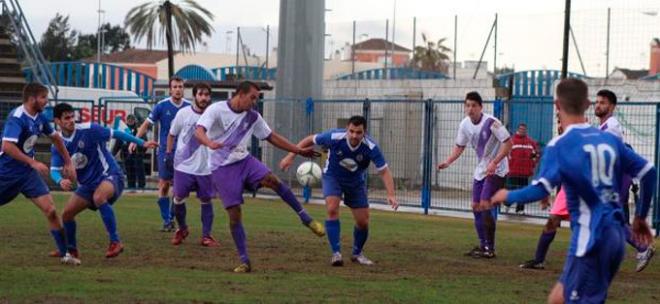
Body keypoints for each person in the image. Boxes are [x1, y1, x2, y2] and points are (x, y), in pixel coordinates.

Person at [489, 78, 656, 303]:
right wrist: (640, 218)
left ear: (557, 105)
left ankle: (539, 258)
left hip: (592, 239)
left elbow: (539, 190)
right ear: (587, 104)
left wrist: (507, 195)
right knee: (557, 298)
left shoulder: (560, 145)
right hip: (614, 236)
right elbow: (649, 171)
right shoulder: (607, 139)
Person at [194, 81, 325, 273]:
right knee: (235, 214)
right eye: (252, 97)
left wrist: (297, 150)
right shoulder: (216, 109)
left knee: (273, 180)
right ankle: (244, 260)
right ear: (240, 94)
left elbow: (271, 136)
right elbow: (199, 131)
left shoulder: (253, 116)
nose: (255, 102)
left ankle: (305, 218)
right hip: (221, 168)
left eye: (257, 98)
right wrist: (209, 143)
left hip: (244, 161)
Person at [279, 115, 399, 266]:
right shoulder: (334, 137)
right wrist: (290, 156)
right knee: (332, 208)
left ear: (364, 133)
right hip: (332, 177)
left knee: (363, 221)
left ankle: (357, 253)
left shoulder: (371, 147)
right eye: (352, 131)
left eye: (358, 132)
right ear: (347, 129)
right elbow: (309, 139)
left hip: (355, 182)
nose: (354, 135)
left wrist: (391, 194)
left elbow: (384, 171)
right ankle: (336, 253)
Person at [49, 103, 158, 261]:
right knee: (66, 214)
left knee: (99, 197)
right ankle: (71, 250)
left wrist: (142, 142)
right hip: (88, 185)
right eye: (67, 118)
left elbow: (117, 134)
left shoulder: (89, 129)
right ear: (57, 121)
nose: (71, 120)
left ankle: (115, 242)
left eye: (72, 116)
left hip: (110, 175)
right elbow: (53, 169)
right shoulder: (58, 143)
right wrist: (60, 181)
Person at [0, 83, 78, 265]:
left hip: (27, 175)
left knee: (50, 210)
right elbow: (7, 146)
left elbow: (56, 138)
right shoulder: (17, 117)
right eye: (43, 97)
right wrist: (33, 162)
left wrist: (68, 162)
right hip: (6, 172)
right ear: (32, 98)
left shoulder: (40, 117)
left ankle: (65, 254)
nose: (47, 101)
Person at [437, 91, 512, 258]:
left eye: (474, 106)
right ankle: (483, 245)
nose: (470, 109)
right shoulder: (464, 125)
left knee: (485, 204)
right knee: (475, 207)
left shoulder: (492, 122)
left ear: (481, 107)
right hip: (482, 169)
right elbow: (460, 146)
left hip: (498, 169)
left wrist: (495, 162)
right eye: (467, 105)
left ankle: (490, 249)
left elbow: (508, 143)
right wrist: (448, 161)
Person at [594, 89, 655, 272]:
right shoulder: (603, 127)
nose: (598, 105)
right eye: (596, 102)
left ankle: (641, 248)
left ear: (612, 107)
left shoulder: (611, 126)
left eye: (602, 102)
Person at [131, 76, 190, 231]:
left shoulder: (189, 107)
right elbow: (146, 125)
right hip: (165, 151)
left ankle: (171, 219)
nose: (178, 89)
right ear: (170, 89)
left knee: (179, 189)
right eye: (175, 87)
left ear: (183, 89)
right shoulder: (161, 106)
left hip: (184, 153)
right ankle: (167, 220)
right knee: (164, 185)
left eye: (180, 86)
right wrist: (134, 140)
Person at [166, 82, 217, 246]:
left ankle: (206, 236)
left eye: (207, 95)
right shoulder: (183, 113)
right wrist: (168, 154)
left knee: (206, 200)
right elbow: (172, 134)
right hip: (183, 166)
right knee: (178, 198)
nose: (204, 98)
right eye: (201, 94)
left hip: (205, 167)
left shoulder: (214, 116)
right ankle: (182, 228)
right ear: (195, 96)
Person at [507, 123, 540, 215]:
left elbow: (536, 154)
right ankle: (507, 204)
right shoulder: (512, 141)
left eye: (524, 129)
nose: (522, 131)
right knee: (512, 189)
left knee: (523, 191)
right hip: (513, 170)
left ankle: (520, 209)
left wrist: (532, 164)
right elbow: (506, 154)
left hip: (525, 172)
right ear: (518, 129)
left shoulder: (530, 142)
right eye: (521, 129)